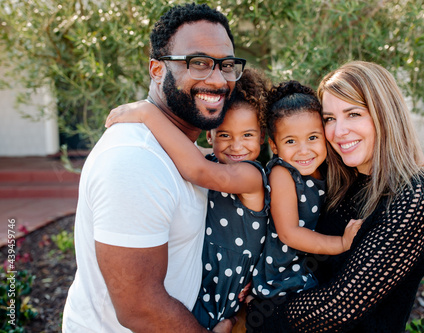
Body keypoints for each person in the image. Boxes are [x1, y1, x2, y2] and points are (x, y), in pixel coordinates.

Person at [62, 4, 245, 332]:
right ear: (157, 71)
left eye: (227, 65)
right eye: (199, 63)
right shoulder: (134, 159)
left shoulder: (182, 150)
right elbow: (140, 308)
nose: (218, 80)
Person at [247, 61, 424, 333]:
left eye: (353, 114)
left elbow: (340, 307)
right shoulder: (337, 177)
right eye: (329, 119)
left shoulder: (415, 195)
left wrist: (257, 315)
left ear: (384, 115)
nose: (338, 132)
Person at [105, 68, 271, 330]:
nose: (236, 146)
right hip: (203, 282)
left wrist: (148, 114)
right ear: (210, 135)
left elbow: (197, 169)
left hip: (223, 290)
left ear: (262, 137)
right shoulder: (215, 162)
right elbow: (190, 154)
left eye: (247, 135)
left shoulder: (250, 176)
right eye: (225, 135)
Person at [247, 81, 363, 331]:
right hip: (282, 280)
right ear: (274, 145)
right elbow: (289, 233)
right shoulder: (283, 173)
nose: (304, 150)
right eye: (291, 141)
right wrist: (341, 244)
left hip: (306, 271)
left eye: (313, 137)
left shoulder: (323, 170)